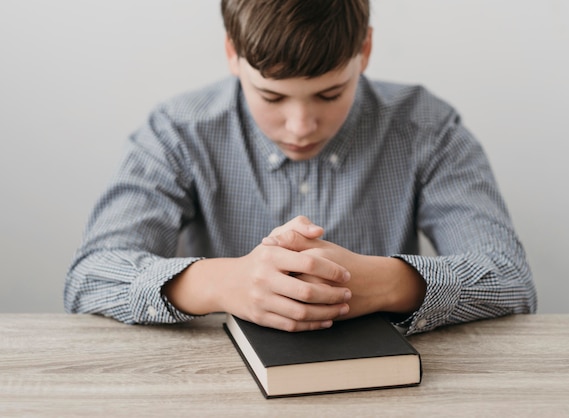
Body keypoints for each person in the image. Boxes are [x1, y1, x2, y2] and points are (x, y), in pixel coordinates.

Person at [64, 0, 537, 334]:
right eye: (271, 96)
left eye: (330, 94)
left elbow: (511, 280)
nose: (301, 125)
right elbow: (90, 277)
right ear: (233, 53)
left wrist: (383, 283)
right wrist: (224, 283)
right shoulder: (179, 130)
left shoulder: (426, 126)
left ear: (365, 51)